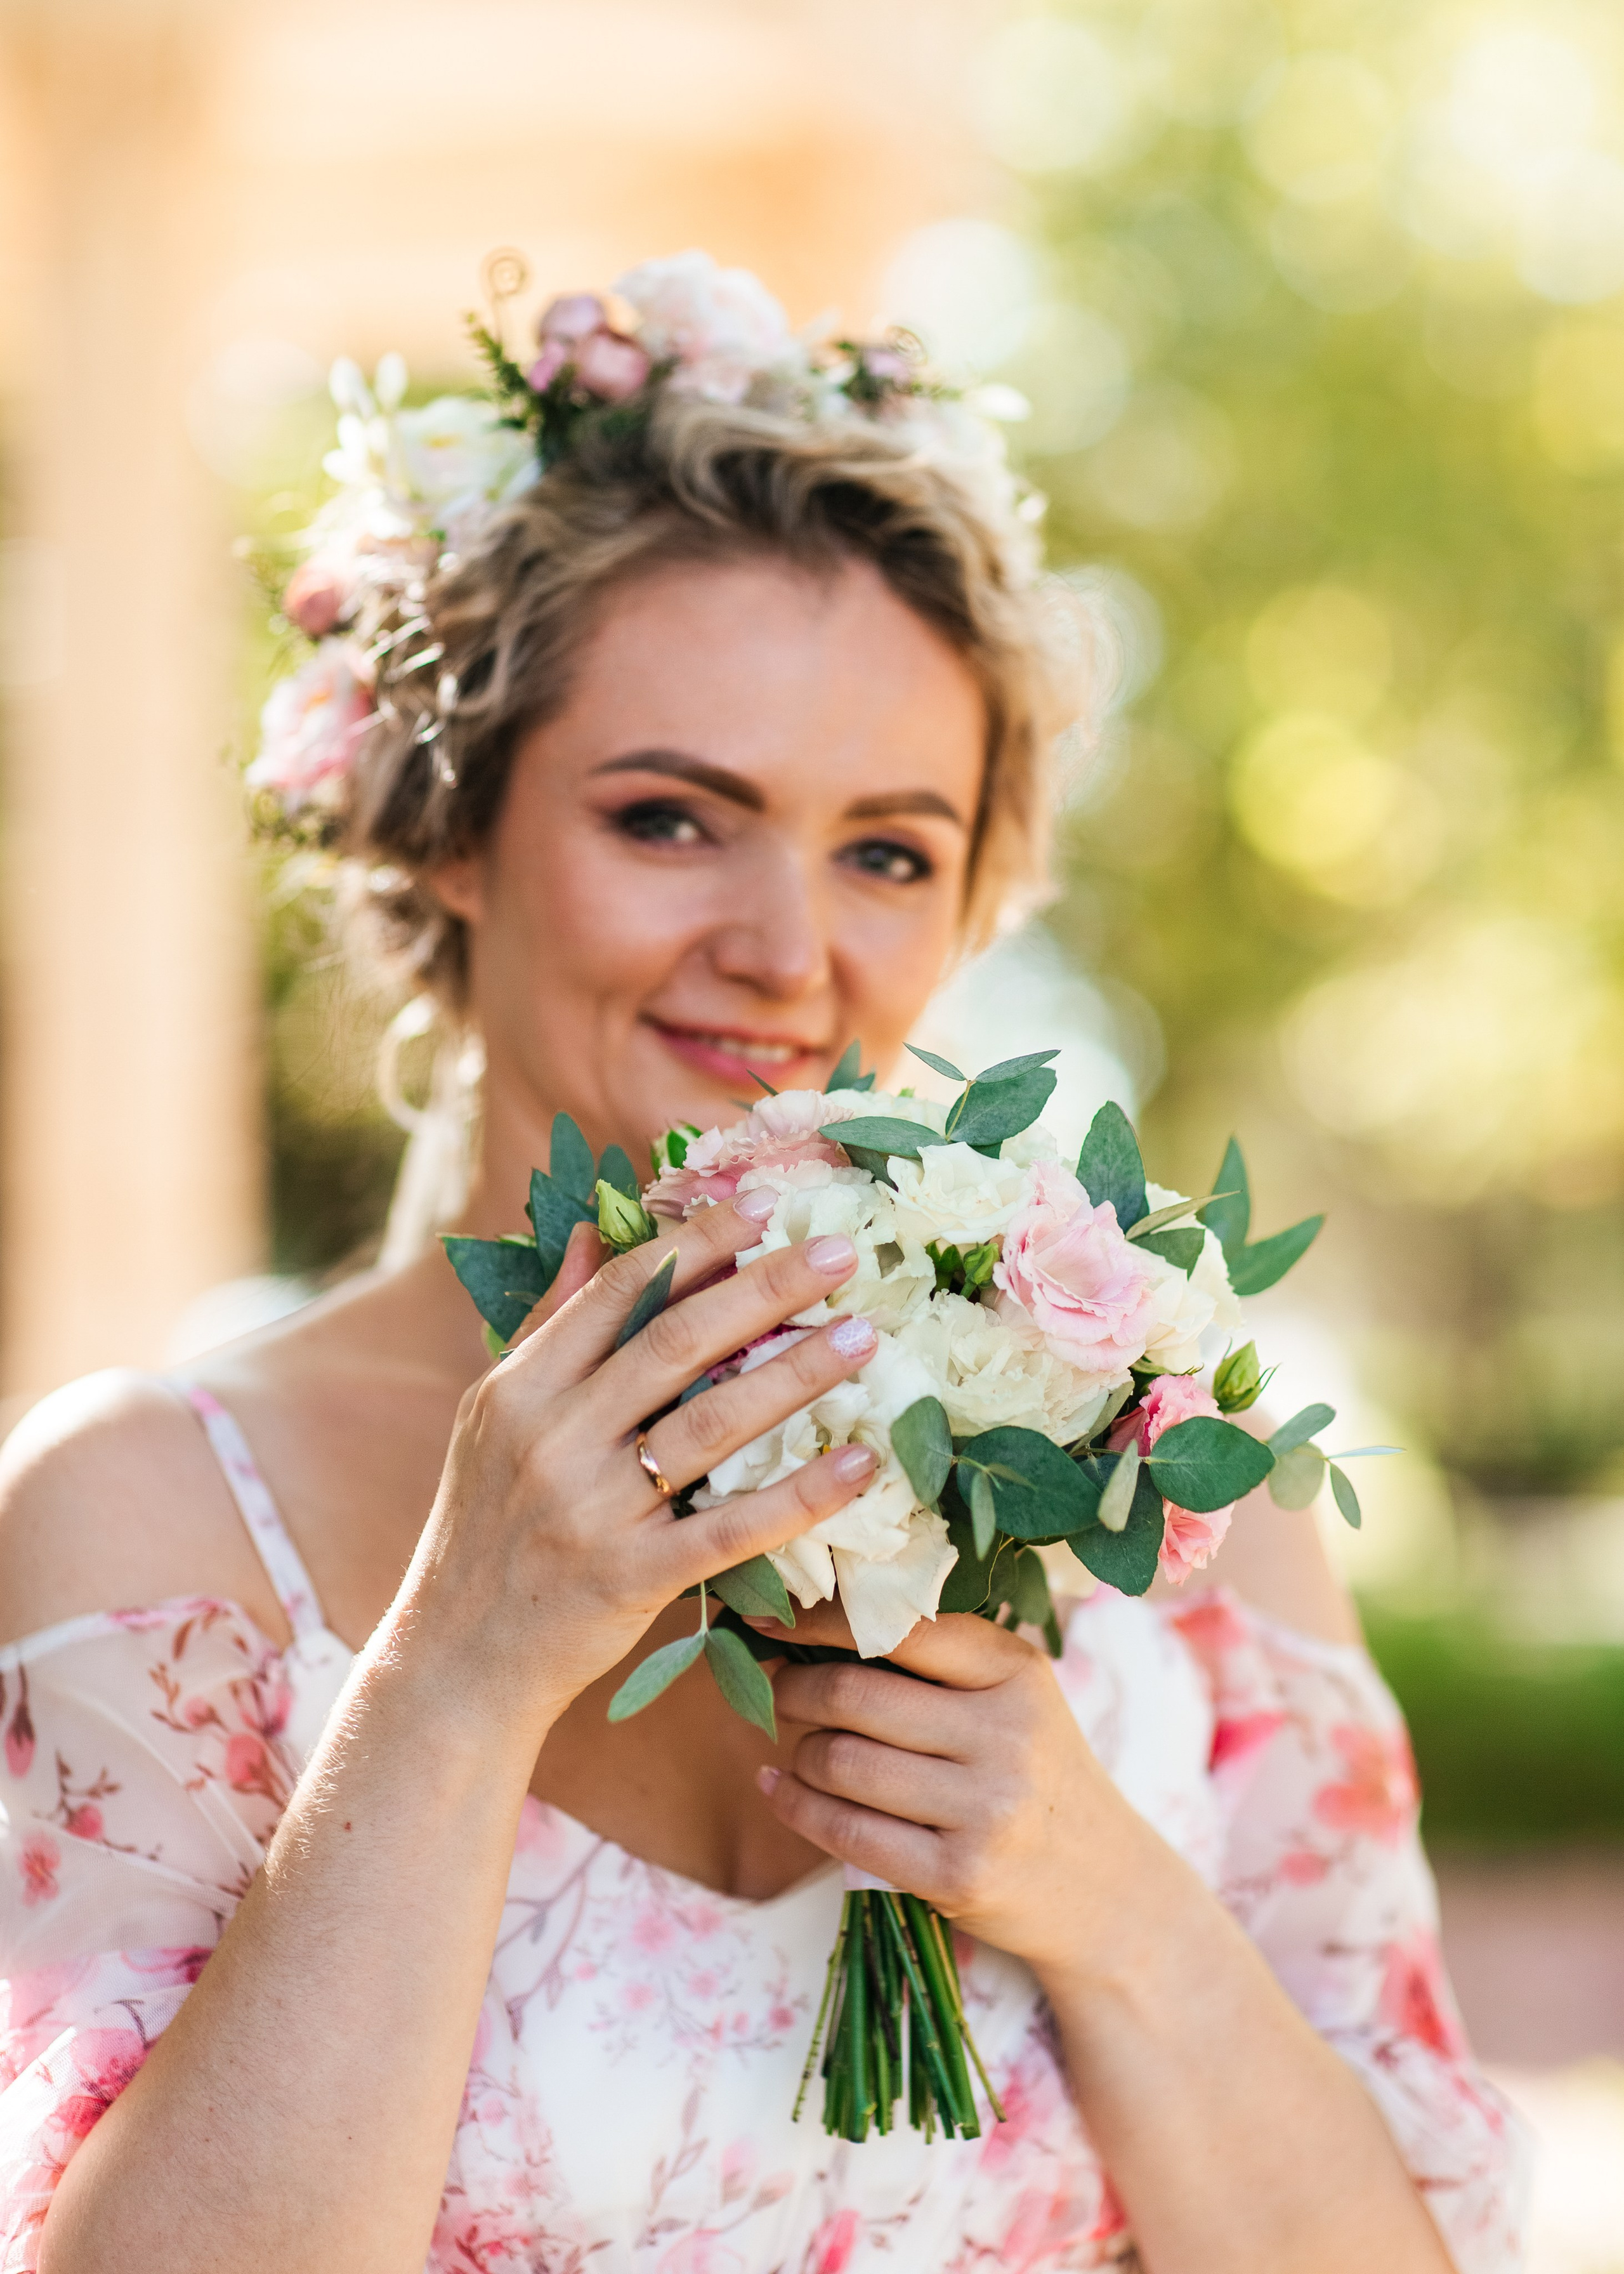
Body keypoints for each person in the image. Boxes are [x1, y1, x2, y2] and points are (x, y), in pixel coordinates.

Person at [0, 253, 1526, 2273]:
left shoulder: (1172, 1496)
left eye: (888, 849)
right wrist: (456, 1679)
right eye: (671, 818)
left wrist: (1104, 1894)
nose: (791, 950)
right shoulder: (153, 1512)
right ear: (450, 834)